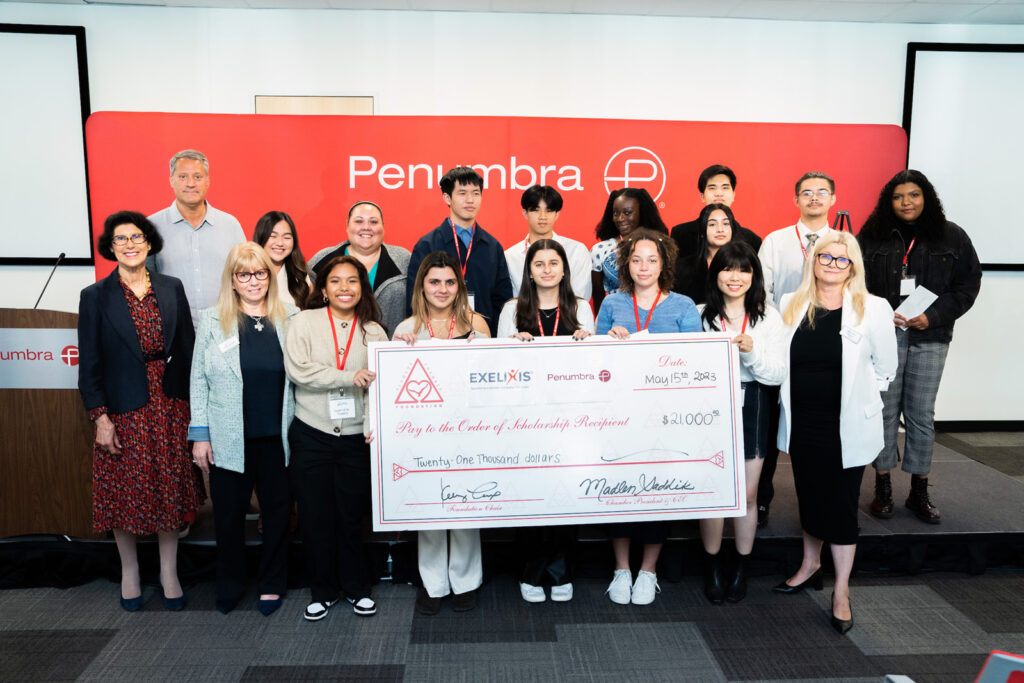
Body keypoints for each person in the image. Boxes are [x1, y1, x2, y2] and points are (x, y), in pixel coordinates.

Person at [77, 210, 203, 612]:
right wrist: (100, 418)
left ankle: (169, 573)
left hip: (169, 406)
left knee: (168, 489)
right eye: (121, 239)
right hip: (122, 409)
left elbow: (187, 349)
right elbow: (90, 365)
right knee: (123, 493)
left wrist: (193, 409)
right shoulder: (95, 296)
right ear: (110, 247)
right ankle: (129, 572)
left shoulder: (170, 287)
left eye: (136, 237)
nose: (130, 245)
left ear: (149, 243)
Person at [773, 232, 897, 635]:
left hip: (848, 425)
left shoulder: (873, 308)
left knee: (842, 503)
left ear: (853, 267)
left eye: (841, 260)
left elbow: (886, 367)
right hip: (803, 421)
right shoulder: (791, 302)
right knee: (809, 495)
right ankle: (810, 566)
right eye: (825, 256)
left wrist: (860, 398)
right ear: (813, 260)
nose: (831, 263)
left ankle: (841, 589)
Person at [858, 170, 981, 524]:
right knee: (883, 412)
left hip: (931, 335)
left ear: (926, 198)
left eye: (913, 195)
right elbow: (854, 280)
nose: (906, 202)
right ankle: (883, 485)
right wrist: (877, 315)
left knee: (920, 414)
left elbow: (968, 283)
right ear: (889, 201)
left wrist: (935, 315)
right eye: (898, 197)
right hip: (884, 336)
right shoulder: (872, 234)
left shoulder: (951, 235)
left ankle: (919, 488)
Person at [189, 242, 298, 616]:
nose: (253, 281)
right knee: (229, 518)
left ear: (270, 276)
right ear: (232, 280)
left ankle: (272, 584)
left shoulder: (291, 318)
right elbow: (197, 381)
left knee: (278, 514)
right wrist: (199, 434)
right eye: (244, 274)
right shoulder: (211, 320)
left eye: (260, 273)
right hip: (226, 438)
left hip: (277, 437)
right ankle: (231, 584)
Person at [595, 228, 701, 606]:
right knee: (620, 493)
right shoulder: (612, 304)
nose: (644, 266)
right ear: (626, 263)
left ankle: (648, 571)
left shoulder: (684, 306)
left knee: (658, 494)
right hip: (619, 416)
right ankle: (621, 568)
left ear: (664, 264)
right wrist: (609, 342)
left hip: (665, 418)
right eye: (636, 259)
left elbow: (693, 362)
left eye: (652, 260)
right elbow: (595, 364)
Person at [283, 254, 389, 622]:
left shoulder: (374, 331)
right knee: (314, 517)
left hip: (357, 438)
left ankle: (356, 588)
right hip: (312, 433)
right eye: (336, 281)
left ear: (363, 288)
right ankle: (322, 591)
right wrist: (349, 376)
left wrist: (376, 424)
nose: (345, 288)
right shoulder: (304, 322)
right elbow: (300, 371)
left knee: (350, 517)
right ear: (324, 289)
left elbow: (381, 384)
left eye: (353, 281)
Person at [496, 240, 595, 603]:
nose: (548, 269)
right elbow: (498, 369)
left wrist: (588, 341)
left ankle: (561, 570)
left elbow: (595, 369)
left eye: (554, 263)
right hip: (526, 419)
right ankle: (531, 571)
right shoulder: (512, 309)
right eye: (540, 264)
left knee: (566, 495)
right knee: (531, 497)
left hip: (570, 418)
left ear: (565, 269)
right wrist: (512, 344)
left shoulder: (582, 307)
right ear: (530, 270)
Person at [393, 252, 490, 615]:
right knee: (430, 509)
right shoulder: (406, 329)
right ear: (422, 286)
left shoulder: (477, 324)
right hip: (423, 434)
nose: (443, 289)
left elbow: (488, 381)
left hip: (468, 431)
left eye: (450, 282)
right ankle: (433, 584)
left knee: (466, 504)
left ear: (459, 287)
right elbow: (395, 387)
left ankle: (465, 580)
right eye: (434, 281)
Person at [697, 242, 786, 604]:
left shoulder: (769, 317)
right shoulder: (701, 314)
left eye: (744, 270)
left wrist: (750, 352)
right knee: (715, 492)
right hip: (710, 406)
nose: (735, 277)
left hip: (755, 404)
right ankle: (712, 565)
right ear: (715, 273)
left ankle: (741, 566)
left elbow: (777, 373)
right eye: (727, 269)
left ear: (754, 276)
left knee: (747, 495)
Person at [755, 171, 837, 528]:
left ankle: (830, 506)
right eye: (807, 193)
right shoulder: (775, 241)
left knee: (825, 429)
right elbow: (763, 292)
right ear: (796, 200)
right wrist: (779, 331)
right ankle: (761, 499)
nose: (814, 198)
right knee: (773, 426)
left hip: (829, 346)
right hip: (783, 340)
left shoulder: (844, 243)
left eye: (822, 192)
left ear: (833, 199)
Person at [406, 167, 512, 337]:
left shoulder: (493, 247)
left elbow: (503, 301)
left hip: (481, 338)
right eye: (462, 193)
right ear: (447, 198)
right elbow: (414, 298)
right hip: (436, 339)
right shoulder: (427, 245)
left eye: (476, 193)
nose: (470, 200)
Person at [148, 149, 246, 328]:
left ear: (208, 181)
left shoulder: (230, 225)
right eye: (183, 177)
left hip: (225, 328)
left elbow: (245, 275)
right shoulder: (152, 227)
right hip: (172, 330)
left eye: (198, 177)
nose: (190, 184)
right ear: (171, 180)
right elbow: (143, 281)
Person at [308, 201, 411, 336]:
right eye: (358, 221)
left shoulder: (404, 260)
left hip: (390, 348)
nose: (366, 227)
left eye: (373, 222)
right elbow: (308, 307)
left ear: (383, 227)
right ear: (347, 226)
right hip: (335, 350)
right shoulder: (322, 260)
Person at [504, 185, 592, 302]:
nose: (542, 216)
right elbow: (510, 301)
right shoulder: (510, 256)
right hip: (522, 319)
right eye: (535, 210)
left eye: (549, 210)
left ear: (557, 214)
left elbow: (579, 299)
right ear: (525, 213)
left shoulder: (577, 251)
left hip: (568, 318)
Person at [590, 188, 669, 314]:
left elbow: (667, 285)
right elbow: (597, 293)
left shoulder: (659, 246)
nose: (620, 218)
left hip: (654, 314)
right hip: (615, 317)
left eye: (627, 213)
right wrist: (601, 323)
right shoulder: (600, 250)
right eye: (616, 213)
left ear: (642, 213)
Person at [669, 164, 762, 260]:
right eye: (712, 188)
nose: (719, 193)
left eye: (725, 187)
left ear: (733, 195)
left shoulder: (752, 240)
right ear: (702, 196)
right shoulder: (681, 233)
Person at [674, 203, 737, 304]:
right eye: (712, 224)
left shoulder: (744, 264)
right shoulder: (683, 267)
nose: (720, 229)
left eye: (725, 223)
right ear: (702, 232)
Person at [252, 211, 311, 307]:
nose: (280, 243)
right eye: (273, 236)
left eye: (287, 237)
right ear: (261, 237)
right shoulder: (246, 274)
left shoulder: (301, 276)